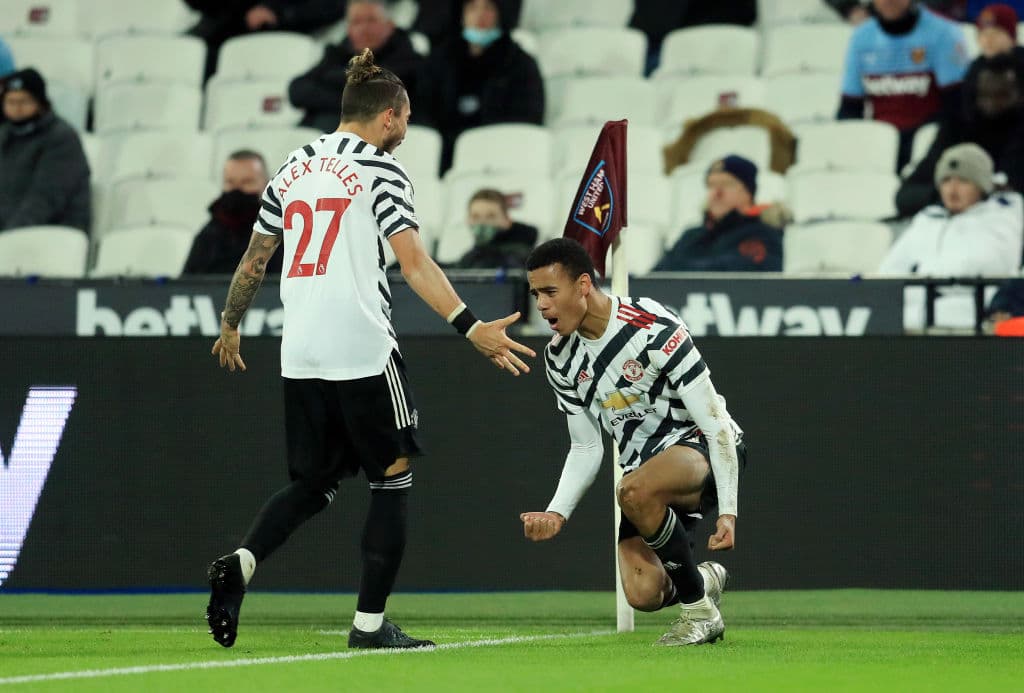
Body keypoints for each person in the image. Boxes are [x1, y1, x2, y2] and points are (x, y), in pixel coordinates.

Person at [204, 48, 535, 651]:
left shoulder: (292, 166)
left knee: (315, 483)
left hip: (299, 348)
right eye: (404, 121)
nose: (404, 132)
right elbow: (412, 261)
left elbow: (256, 258)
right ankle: (369, 627)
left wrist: (230, 323)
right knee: (392, 478)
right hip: (360, 344)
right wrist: (471, 326)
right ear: (388, 116)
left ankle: (243, 561)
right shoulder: (382, 170)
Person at [520, 237, 745, 646]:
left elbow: (716, 425)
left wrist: (728, 511)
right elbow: (587, 447)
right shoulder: (559, 359)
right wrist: (557, 511)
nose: (542, 305)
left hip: (700, 452)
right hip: (644, 478)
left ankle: (699, 615)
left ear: (583, 285)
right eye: (536, 294)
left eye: (551, 292)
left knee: (634, 488)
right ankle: (705, 580)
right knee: (644, 593)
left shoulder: (653, 326)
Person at [879, 143, 1024, 329]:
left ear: (981, 186)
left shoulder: (1004, 216)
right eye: (946, 181)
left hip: (970, 316)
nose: (952, 189)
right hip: (915, 315)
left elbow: (987, 262)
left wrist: (928, 275)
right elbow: (889, 270)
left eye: (963, 181)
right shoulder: (928, 218)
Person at [896, 39, 1024, 216]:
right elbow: (906, 197)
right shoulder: (957, 127)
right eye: (985, 94)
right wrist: (951, 196)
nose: (993, 101)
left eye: (1003, 93)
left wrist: (987, 197)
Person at [414, 0, 544, 173]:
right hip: (444, 161)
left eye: (488, 7)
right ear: (461, 14)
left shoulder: (521, 64)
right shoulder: (439, 62)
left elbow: (527, 119)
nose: (480, 15)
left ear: (500, 13)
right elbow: (421, 110)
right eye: (472, 7)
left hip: (500, 158)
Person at [838, 0, 970, 170]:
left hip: (931, 146)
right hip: (880, 147)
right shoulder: (861, 38)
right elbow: (849, 108)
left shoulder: (944, 33)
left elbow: (956, 106)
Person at [289, 0, 423, 134]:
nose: (364, 28)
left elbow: (376, 94)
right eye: (356, 22)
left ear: (390, 25)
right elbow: (297, 90)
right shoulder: (338, 53)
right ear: (348, 29)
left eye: (371, 20)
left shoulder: (406, 56)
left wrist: (329, 82)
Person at [654, 155, 783, 272]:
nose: (716, 193)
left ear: (748, 192)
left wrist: (678, 267)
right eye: (711, 185)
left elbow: (744, 273)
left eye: (727, 184)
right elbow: (655, 278)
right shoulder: (691, 236)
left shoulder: (764, 234)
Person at [0, 68, 90, 232]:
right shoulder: (4, 135)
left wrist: (8, 237)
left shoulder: (62, 138)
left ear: (40, 102)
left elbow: (46, 198)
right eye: (10, 102)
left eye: (24, 101)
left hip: (51, 234)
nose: (17, 109)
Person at [186, 0, 347, 81]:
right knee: (185, 54)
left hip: (288, 38)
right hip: (226, 32)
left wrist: (276, 12)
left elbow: (334, 6)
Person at [184, 150, 283, 275]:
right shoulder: (208, 235)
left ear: (266, 185)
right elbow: (186, 285)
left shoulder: (282, 232)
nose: (237, 190)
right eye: (230, 182)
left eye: (247, 182)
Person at [452, 188, 538, 269]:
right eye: (475, 216)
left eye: (490, 216)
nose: (482, 223)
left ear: (507, 221)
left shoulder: (523, 258)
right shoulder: (470, 257)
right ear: (468, 220)